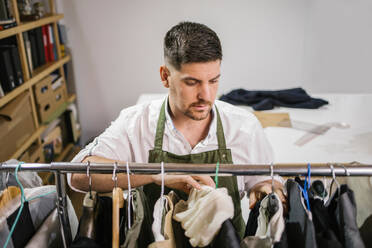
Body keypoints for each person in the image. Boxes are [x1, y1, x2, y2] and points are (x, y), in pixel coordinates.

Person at [69, 21, 286, 238]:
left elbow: (266, 181)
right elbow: (77, 175)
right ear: (165, 76)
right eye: (192, 82)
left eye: (213, 81)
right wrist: (157, 174)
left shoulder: (243, 126)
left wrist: (266, 189)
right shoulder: (136, 123)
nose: (206, 95)